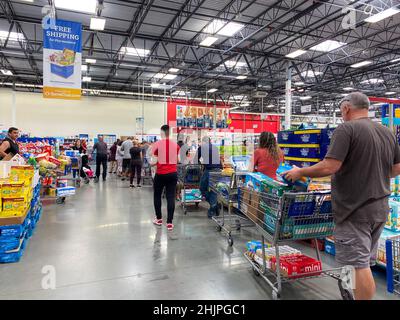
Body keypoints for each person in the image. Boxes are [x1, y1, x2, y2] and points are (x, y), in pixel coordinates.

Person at [284, 92, 400, 300]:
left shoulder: (346, 129)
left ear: (346, 108)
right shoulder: (386, 131)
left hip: (354, 211)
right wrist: (374, 174)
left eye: (341, 110)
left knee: (358, 265)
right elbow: (397, 167)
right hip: (379, 209)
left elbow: (330, 166)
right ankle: (348, 295)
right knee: (350, 261)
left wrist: (300, 172)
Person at [151, 125, 180, 231]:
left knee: (157, 196)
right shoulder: (175, 145)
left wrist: (152, 163)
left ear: (162, 132)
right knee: (170, 197)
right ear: (170, 133)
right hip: (172, 174)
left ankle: (159, 219)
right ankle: (169, 223)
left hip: (160, 174)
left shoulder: (157, 145)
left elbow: (153, 162)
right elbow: (178, 160)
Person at [194, 136, 222, 218]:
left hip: (209, 170)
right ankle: (214, 207)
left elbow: (196, 160)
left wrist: (200, 164)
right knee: (213, 190)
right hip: (218, 170)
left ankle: (214, 206)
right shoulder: (215, 148)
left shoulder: (201, 147)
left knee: (202, 188)